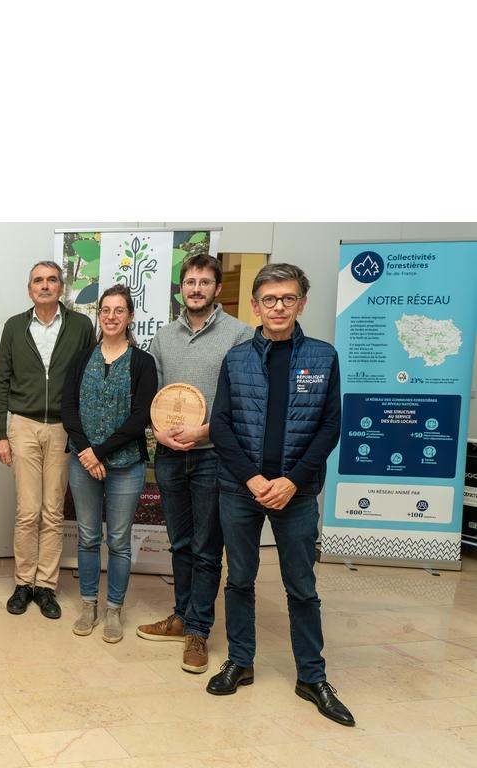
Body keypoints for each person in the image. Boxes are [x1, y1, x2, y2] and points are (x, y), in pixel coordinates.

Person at [207, 263, 353, 727]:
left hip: (298, 492)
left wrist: (292, 480)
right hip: (241, 489)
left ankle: (312, 676)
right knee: (240, 580)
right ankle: (241, 661)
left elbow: (331, 425)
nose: (278, 307)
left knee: (302, 588)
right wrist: (251, 478)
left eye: (288, 298)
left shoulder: (324, 357)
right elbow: (223, 425)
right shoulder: (236, 359)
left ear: (301, 304)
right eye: (269, 299)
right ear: (255, 305)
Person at [136, 255, 252, 673]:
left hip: (213, 458)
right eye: (190, 282)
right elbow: (155, 395)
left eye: (204, 282)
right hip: (169, 454)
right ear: (180, 288)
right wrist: (157, 431)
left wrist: (204, 432)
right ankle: (182, 615)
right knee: (181, 543)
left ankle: (198, 631)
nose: (197, 289)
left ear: (217, 289)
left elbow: (241, 398)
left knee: (206, 547)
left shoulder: (240, 335)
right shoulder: (164, 337)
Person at [0, 260, 95, 619]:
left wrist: (83, 431)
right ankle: (23, 583)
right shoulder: (14, 326)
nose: (45, 285)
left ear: (61, 287)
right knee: (27, 511)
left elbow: (89, 377)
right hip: (22, 425)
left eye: (52, 280)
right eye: (38, 280)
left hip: (62, 429)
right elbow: (1, 381)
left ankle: (46, 586)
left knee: (53, 512)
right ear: (29, 289)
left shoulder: (81, 325)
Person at [60, 285, 156, 643]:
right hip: (83, 462)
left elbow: (140, 417)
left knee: (118, 540)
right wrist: (87, 451)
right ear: (98, 315)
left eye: (119, 310)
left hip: (126, 465)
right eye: (105, 310)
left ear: (130, 316)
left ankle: (114, 608)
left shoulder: (143, 362)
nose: (111, 316)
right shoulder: (82, 358)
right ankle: (89, 604)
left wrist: (100, 452)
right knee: (87, 537)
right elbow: (67, 407)